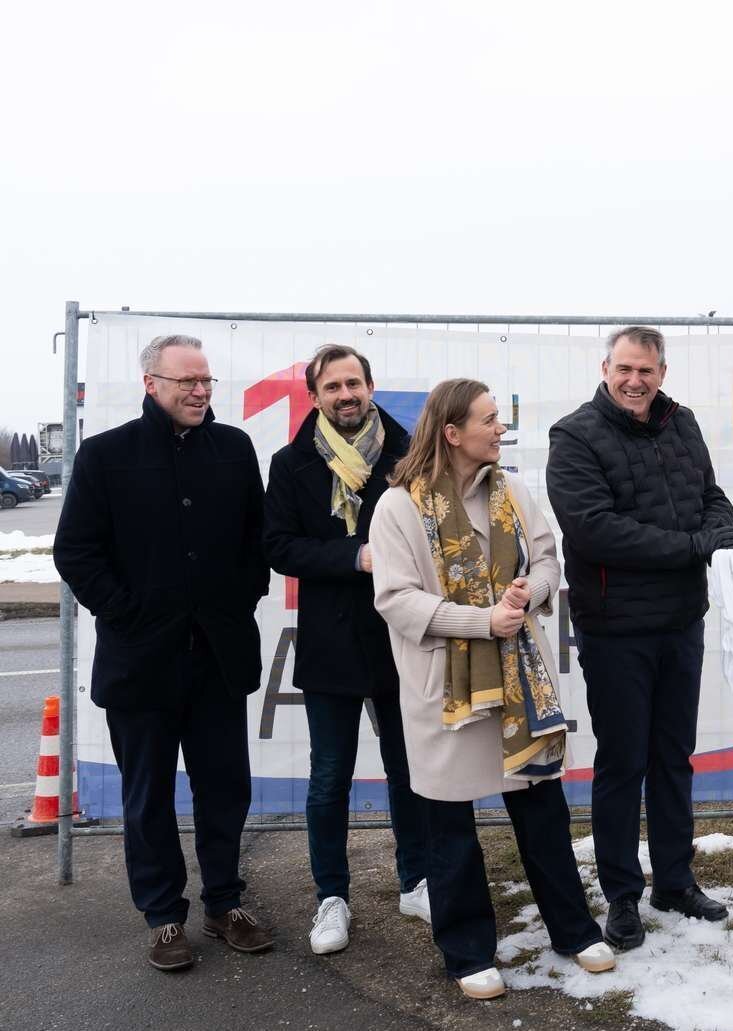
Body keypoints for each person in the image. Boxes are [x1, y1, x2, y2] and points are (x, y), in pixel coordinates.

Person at [369, 378, 613, 1000]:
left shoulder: (513, 492)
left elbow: (547, 559)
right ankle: (468, 950)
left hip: (518, 688)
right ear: (452, 433)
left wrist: (526, 593)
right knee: (449, 831)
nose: (499, 428)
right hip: (445, 693)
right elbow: (396, 599)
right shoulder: (398, 507)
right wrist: (482, 621)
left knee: (543, 815)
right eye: (488, 420)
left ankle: (574, 931)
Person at [54, 334, 273, 971]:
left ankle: (225, 903)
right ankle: (164, 917)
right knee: (147, 797)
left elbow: (255, 541)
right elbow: (77, 553)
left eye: (206, 382)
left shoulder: (233, 450)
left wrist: (236, 600)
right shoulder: (105, 456)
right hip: (140, 663)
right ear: (152, 384)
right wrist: (129, 611)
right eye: (187, 383)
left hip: (218, 659)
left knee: (225, 789)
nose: (201, 392)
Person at [545, 326, 733, 950]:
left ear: (662, 372)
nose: (635, 381)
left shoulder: (681, 423)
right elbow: (595, 531)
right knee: (622, 764)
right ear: (605, 367)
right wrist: (694, 546)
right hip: (617, 630)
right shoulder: (574, 435)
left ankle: (675, 881)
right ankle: (623, 896)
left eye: (647, 371)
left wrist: (719, 529)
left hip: (682, 621)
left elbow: (711, 497)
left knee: (671, 760)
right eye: (625, 369)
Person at [263, 345, 429, 956]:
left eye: (353, 383)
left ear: (370, 385)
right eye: (332, 387)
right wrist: (354, 557)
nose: (345, 395)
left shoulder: (409, 454)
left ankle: (418, 881)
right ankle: (332, 897)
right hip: (331, 640)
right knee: (329, 776)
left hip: (399, 635)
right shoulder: (291, 464)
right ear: (315, 397)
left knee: (409, 770)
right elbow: (278, 546)